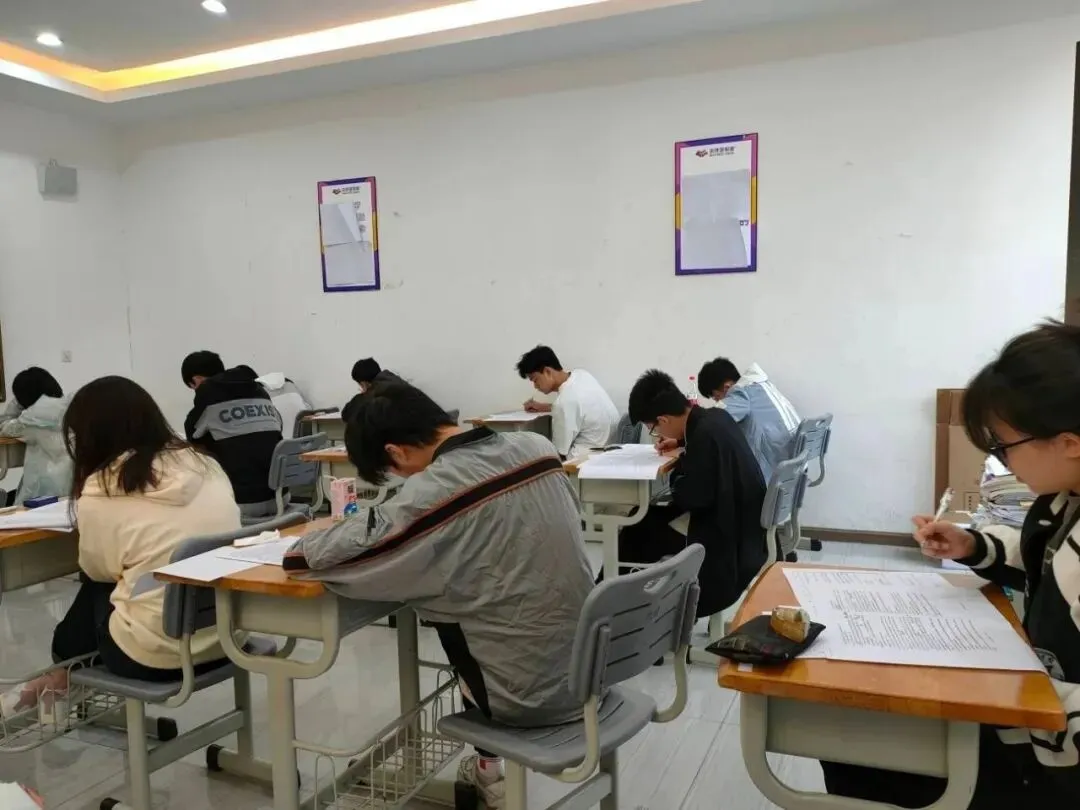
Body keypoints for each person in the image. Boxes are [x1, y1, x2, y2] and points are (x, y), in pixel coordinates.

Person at [283, 381, 593, 809]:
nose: (404, 482)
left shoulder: (437, 490)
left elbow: (319, 556)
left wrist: (303, 543)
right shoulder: (538, 449)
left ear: (395, 453)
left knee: (461, 611)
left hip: (528, 698)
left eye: (394, 474)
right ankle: (486, 768)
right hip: (590, 666)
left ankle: (489, 769)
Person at [821, 322, 1080, 807]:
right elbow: (1042, 561)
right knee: (847, 729)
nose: (1001, 462)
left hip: (1048, 768)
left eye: (1004, 446)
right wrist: (970, 545)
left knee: (852, 740)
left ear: (1070, 443)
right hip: (1025, 713)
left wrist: (1018, 694)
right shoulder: (1063, 501)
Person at [0, 376, 240, 718]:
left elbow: (97, 571)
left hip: (155, 656)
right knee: (132, 579)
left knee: (98, 587)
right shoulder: (205, 464)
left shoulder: (105, 486)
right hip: (228, 636)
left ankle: (59, 677)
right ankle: (60, 682)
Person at [615, 369, 766, 618]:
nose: (657, 435)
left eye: (653, 429)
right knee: (643, 519)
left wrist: (677, 473)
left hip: (726, 543)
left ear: (663, 420)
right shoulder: (716, 417)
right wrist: (681, 444)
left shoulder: (703, 436)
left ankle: (620, 607)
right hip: (746, 531)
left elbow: (691, 497)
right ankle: (621, 600)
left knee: (638, 528)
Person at [181, 351, 284, 519]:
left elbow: (193, 443)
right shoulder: (260, 391)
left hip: (240, 503)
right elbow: (278, 428)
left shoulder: (207, 397)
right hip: (280, 497)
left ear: (197, 380)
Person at [697, 358, 800, 483]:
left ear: (727, 387)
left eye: (717, 397)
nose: (718, 402)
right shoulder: (761, 386)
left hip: (774, 473)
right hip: (791, 468)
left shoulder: (742, 394)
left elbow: (713, 421)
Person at [516, 345, 619, 459]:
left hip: (586, 460)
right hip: (611, 449)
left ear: (547, 371)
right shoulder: (582, 375)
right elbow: (579, 407)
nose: (535, 386)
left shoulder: (564, 403)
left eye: (535, 380)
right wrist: (545, 407)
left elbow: (559, 452)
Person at [0, 367, 72, 506]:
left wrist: (18, 403)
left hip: (42, 495)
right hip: (73, 493)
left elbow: (4, 425)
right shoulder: (73, 407)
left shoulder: (32, 420)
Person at [255, 372, 312, 438]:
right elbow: (308, 409)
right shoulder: (289, 385)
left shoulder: (258, 397)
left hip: (281, 441)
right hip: (307, 439)